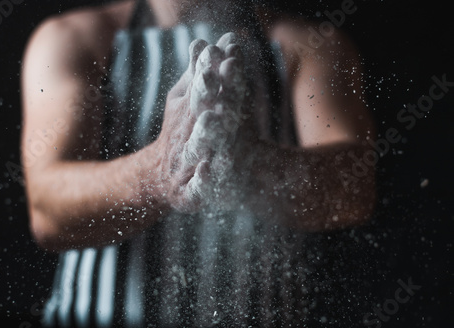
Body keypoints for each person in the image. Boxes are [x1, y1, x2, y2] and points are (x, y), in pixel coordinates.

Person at [20, 0, 376, 326]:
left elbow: (354, 189)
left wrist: (254, 166)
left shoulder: (311, 44)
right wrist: (159, 173)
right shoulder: (73, 39)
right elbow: (49, 208)